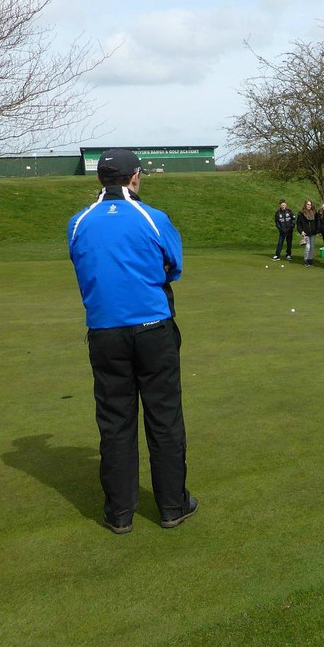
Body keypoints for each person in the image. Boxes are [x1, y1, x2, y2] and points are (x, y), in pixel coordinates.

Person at [67, 148, 196, 534]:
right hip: (152, 327)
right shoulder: (151, 217)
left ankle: (119, 513)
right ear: (135, 177)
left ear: (99, 179)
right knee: (164, 417)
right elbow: (174, 266)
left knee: (115, 421)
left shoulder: (79, 221)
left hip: (104, 332)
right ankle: (172, 506)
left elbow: (83, 264)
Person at [296, 199, 320, 267]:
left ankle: (310, 259)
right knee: (308, 247)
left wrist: (318, 230)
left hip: (313, 232)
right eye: (307, 204)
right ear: (305, 205)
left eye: (310, 204)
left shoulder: (314, 213)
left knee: (312, 247)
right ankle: (306, 259)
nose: (309, 206)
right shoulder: (301, 213)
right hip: (305, 233)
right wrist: (301, 231)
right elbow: (298, 224)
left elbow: (317, 221)